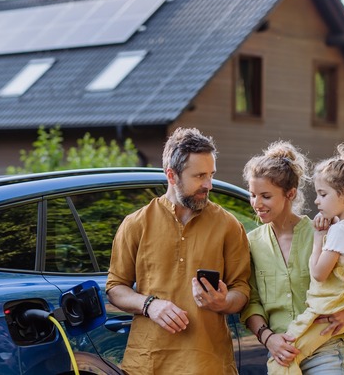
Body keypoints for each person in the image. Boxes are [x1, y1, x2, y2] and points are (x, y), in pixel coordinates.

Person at [106, 127, 251, 374]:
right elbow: (115, 288)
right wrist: (149, 304)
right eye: (199, 176)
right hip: (148, 363)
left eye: (211, 175)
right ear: (171, 176)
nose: (209, 184)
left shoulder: (228, 226)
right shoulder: (136, 224)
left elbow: (242, 290)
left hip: (208, 364)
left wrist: (222, 302)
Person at [241, 141, 344, 374]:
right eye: (252, 195)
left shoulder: (328, 230)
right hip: (283, 356)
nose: (257, 204)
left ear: (291, 193)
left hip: (328, 349)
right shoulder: (252, 243)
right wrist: (268, 339)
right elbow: (251, 302)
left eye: (265, 196)